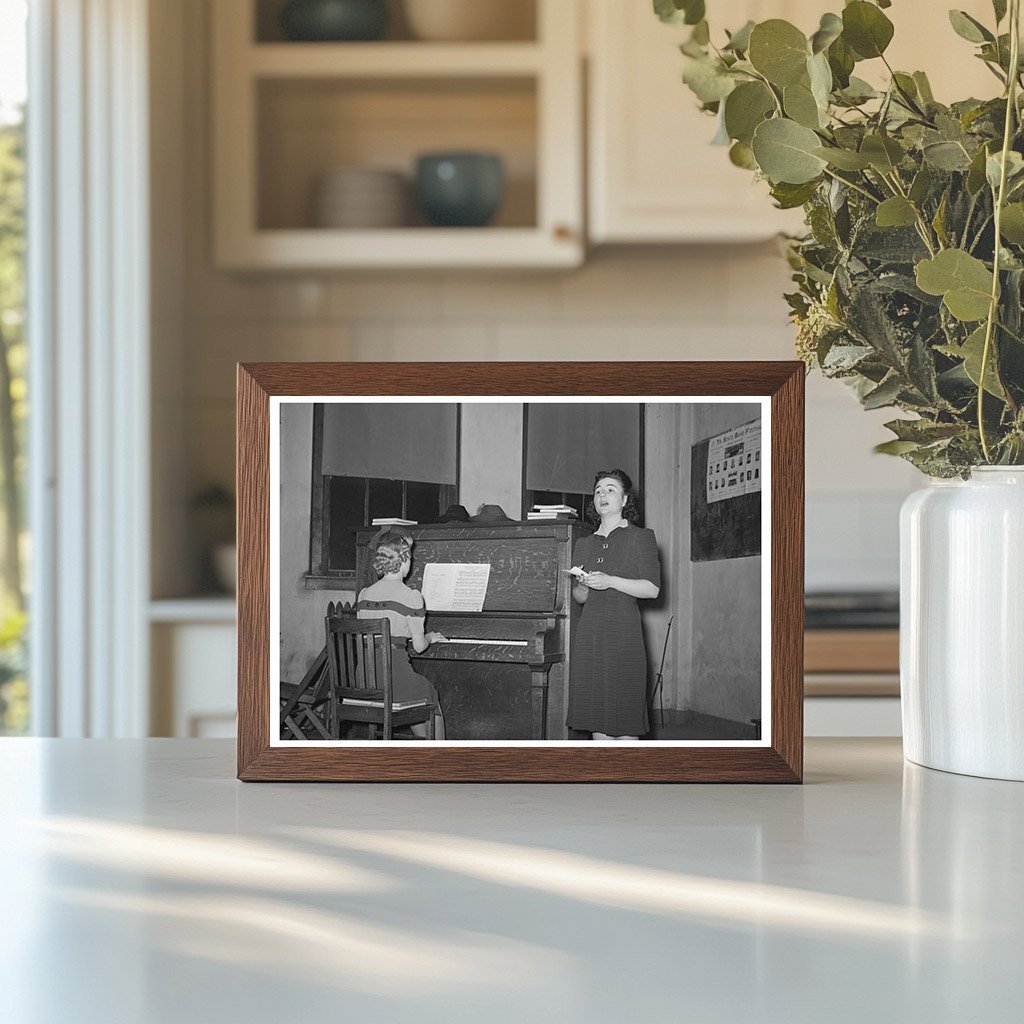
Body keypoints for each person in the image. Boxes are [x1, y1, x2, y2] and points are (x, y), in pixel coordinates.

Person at [567, 469, 661, 740]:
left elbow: (652, 589)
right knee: (599, 724)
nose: (602, 495)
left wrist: (610, 581)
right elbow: (580, 598)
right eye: (598, 490)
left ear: (624, 500)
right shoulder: (584, 544)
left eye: (610, 489)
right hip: (592, 636)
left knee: (626, 721)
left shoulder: (640, 538)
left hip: (623, 635)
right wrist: (583, 585)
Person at [356, 527, 447, 739]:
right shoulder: (411, 597)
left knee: (416, 694)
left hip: (364, 680)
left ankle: (425, 750)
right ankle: (442, 756)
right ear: (404, 559)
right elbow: (419, 646)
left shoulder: (364, 595)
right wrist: (431, 637)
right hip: (394, 680)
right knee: (429, 692)